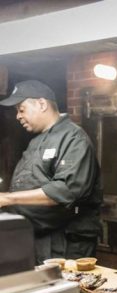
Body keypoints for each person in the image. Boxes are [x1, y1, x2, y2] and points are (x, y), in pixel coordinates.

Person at [0, 80, 102, 263]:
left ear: (41, 104)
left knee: (67, 290)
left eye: (21, 109)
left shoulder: (73, 138)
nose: (18, 116)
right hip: (38, 236)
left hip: (65, 240)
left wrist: (8, 198)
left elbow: (67, 190)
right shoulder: (37, 141)